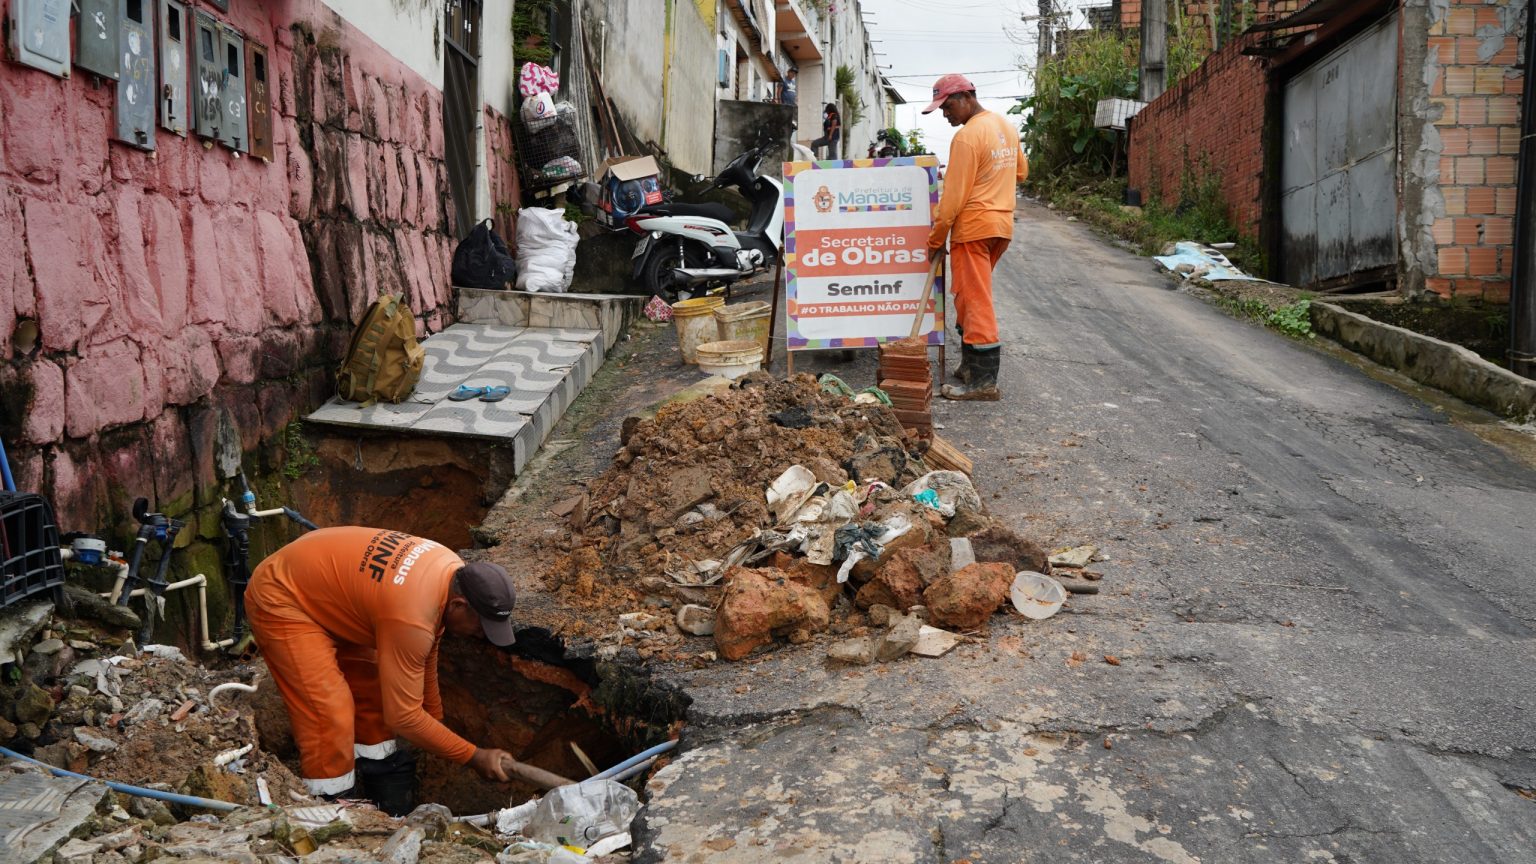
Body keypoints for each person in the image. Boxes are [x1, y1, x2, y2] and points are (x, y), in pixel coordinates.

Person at [246, 526, 522, 813]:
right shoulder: (412, 616)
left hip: (332, 586)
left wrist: (435, 717)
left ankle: (379, 770)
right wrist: (473, 756)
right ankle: (331, 803)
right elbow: (403, 717)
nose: (481, 634)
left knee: (375, 689)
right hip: (282, 595)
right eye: (481, 625)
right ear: (459, 605)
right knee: (328, 710)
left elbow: (428, 648)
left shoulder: (450, 570)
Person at [922, 73, 1028, 401]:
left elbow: (952, 200)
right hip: (1000, 227)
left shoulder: (967, 137)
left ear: (968, 97)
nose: (945, 113)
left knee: (976, 299)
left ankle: (983, 383)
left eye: (948, 105)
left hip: (973, 230)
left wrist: (935, 239)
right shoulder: (1004, 126)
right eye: (940, 109)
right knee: (967, 295)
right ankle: (970, 366)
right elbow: (1021, 171)